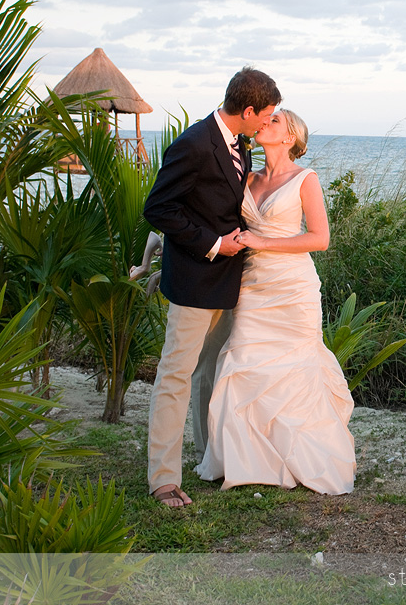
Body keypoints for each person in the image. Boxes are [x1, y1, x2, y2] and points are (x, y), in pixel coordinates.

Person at [194, 109, 356, 495]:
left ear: (290, 138)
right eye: (266, 118)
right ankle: (247, 462)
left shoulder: (305, 179)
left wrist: (263, 242)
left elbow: (319, 238)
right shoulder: (246, 177)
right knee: (243, 361)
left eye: (277, 121)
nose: (267, 121)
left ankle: (303, 457)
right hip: (251, 286)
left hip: (292, 288)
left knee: (296, 370)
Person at [143, 67, 282, 508]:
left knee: (209, 373)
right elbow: (158, 208)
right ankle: (163, 479)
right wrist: (212, 244)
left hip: (229, 282)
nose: (267, 124)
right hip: (193, 281)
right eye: (266, 116)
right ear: (247, 110)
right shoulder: (194, 144)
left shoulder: (238, 141)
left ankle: (207, 459)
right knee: (175, 376)